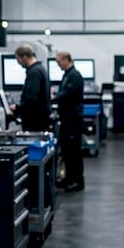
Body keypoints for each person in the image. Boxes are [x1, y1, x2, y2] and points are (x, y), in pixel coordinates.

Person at [53, 50, 85, 192]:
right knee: (66, 151)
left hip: (73, 120)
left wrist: (54, 96)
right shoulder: (67, 75)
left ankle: (77, 181)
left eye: (59, 61)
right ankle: (68, 178)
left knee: (74, 151)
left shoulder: (74, 76)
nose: (58, 64)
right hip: (66, 119)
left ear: (67, 60)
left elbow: (67, 95)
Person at [11, 44, 51, 132]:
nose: (18, 63)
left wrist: (18, 108)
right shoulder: (40, 69)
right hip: (41, 120)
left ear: (24, 57)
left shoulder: (34, 72)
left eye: (18, 59)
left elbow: (32, 97)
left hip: (35, 121)